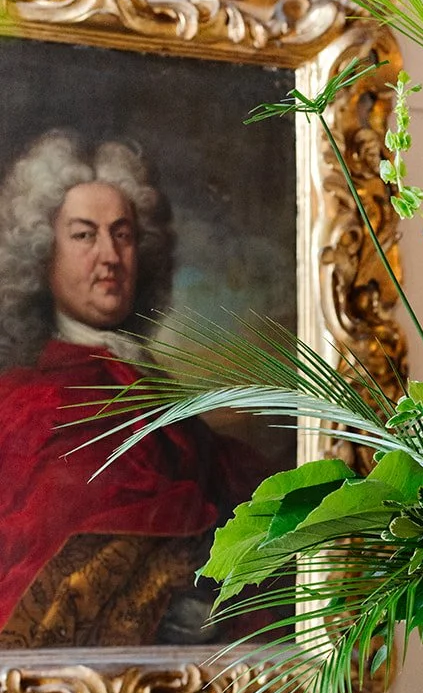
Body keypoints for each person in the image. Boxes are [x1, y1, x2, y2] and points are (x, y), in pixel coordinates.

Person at [0, 130, 269, 647]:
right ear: (42, 254)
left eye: (122, 235)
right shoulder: (27, 407)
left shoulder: (158, 391)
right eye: (84, 235)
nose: (110, 256)